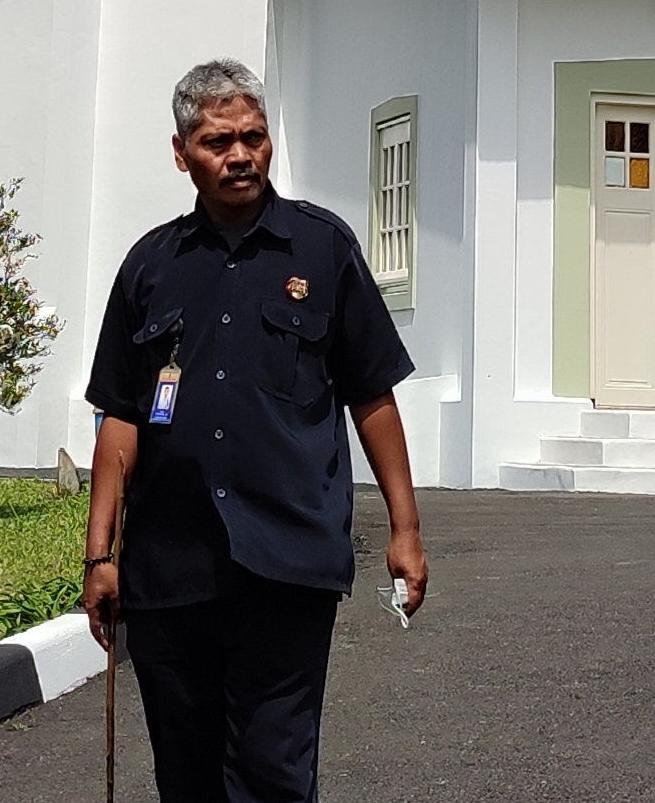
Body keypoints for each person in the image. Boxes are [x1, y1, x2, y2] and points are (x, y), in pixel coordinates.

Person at [83, 59, 428, 803]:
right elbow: (120, 414)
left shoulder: (323, 249)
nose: (240, 154)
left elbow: (372, 394)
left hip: (288, 562)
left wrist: (405, 528)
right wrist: (99, 556)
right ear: (182, 153)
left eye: (254, 137)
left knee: (273, 771)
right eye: (217, 141)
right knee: (187, 774)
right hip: (171, 571)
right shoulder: (150, 267)